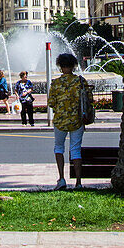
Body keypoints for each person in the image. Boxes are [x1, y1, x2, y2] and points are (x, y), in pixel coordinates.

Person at [47, 52, 93, 190]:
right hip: (77, 120)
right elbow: (89, 99)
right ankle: (78, 182)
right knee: (75, 150)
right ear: (73, 66)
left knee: (59, 147)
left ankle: (61, 179)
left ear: (60, 66)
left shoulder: (56, 83)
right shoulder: (80, 81)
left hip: (60, 121)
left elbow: (51, 103)